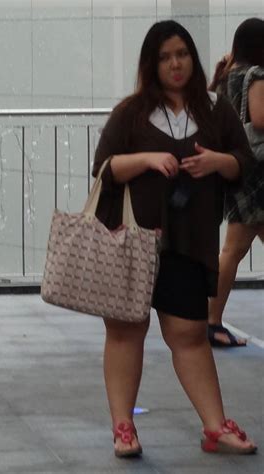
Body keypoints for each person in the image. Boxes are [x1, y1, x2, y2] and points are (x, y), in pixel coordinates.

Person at [92, 20, 257, 457]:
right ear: (152, 64)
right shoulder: (130, 112)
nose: (175, 63)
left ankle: (214, 426)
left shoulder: (214, 109)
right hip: (132, 243)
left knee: (189, 334)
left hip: (187, 245)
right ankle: (123, 427)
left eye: (181, 53)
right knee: (126, 331)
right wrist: (145, 158)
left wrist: (218, 162)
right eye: (165, 57)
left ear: (193, 58)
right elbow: (104, 169)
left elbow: (244, 165)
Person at [207, 18, 264, 347]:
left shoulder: (225, 77)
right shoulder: (254, 77)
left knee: (233, 249)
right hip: (256, 177)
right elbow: (259, 118)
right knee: (232, 250)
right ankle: (211, 321)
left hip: (236, 170)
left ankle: (210, 320)